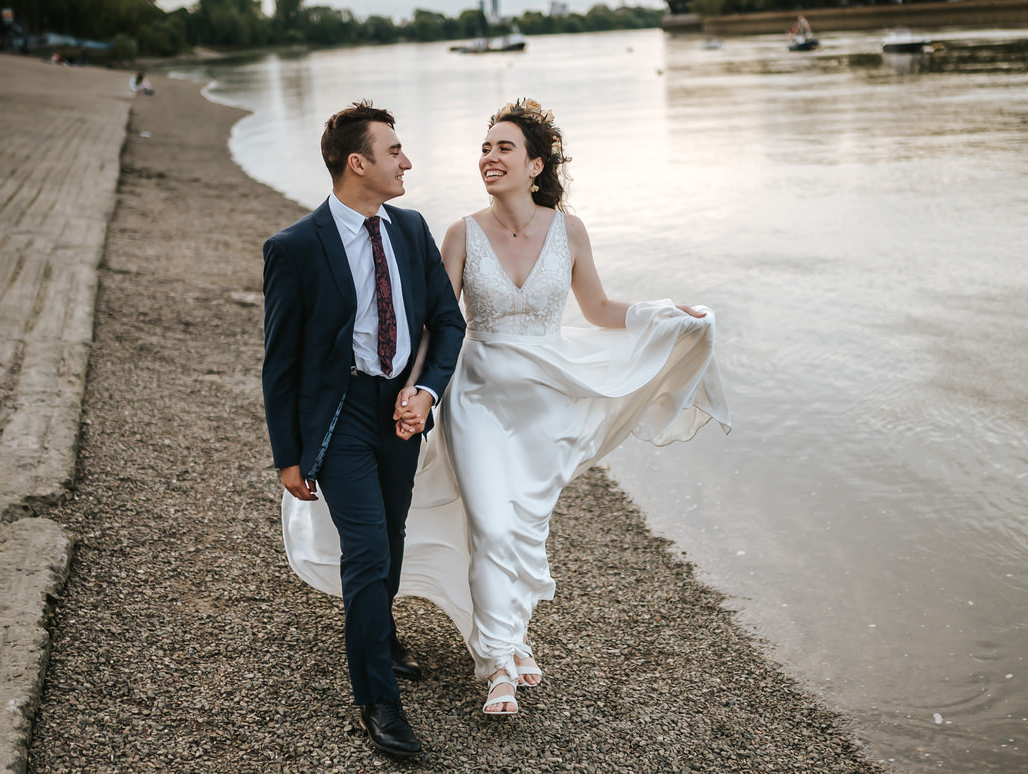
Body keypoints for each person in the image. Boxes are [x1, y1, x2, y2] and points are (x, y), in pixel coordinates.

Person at [281, 98, 730, 718]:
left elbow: (598, 310)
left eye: (503, 148)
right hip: (477, 399)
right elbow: (431, 325)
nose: (489, 158)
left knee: (521, 530)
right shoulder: (459, 232)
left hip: (546, 400)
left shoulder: (568, 231)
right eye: (485, 148)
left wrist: (663, 314)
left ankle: (511, 641)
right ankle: (496, 665)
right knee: (491, 524)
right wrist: (418, 391)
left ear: (536, 165)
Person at [262, 101, 465, 756]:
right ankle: (377, 700)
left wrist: (426, 391)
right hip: (341, 412)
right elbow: (280, 363)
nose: (408, 161)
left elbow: (448, 322)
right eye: (395, 151)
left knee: (396, 531)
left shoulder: (409, 229)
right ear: (359, 163)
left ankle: (380, 635)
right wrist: (287, 455)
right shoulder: (294, 249)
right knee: (369, 548)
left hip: (400, 410)